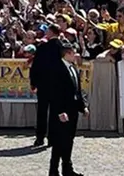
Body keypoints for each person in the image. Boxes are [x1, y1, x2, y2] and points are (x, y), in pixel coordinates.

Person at [48, 40, 88, 176]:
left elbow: (78, 89)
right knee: (59, 141)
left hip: (73, 109)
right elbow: (54, 93)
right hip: (62, 110)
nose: (75, 55)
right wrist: (60, 111)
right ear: (67, 54)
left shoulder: (73, 67)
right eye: (73, 53)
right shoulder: (57, 69)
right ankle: (53, 170)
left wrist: (83, 106)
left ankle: (67, 168)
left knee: (69, 140)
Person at [30, 24, 63, 147]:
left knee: (42, 111)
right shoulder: (62, 47)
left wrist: (33, 82)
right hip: (57, 84)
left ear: (51, 32)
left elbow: (35, 66)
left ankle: (40, 137)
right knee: (55, 111)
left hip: (44, 84)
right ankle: (52, 138)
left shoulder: (42, 47)